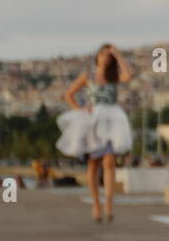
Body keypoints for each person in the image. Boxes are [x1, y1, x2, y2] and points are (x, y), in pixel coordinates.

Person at [57, 43, 134, 222]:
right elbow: (69, 95)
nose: (106, 58)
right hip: (93, 120)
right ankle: (96, 204)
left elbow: (128, 75)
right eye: (103, 54)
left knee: (109, 161)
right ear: (97, 56)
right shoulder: (88, 76)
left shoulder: (114, 76)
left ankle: (108, 202)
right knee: (93, 164)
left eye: (109, 56)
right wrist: (81, 109)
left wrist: (118, 54)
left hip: (112, 119)